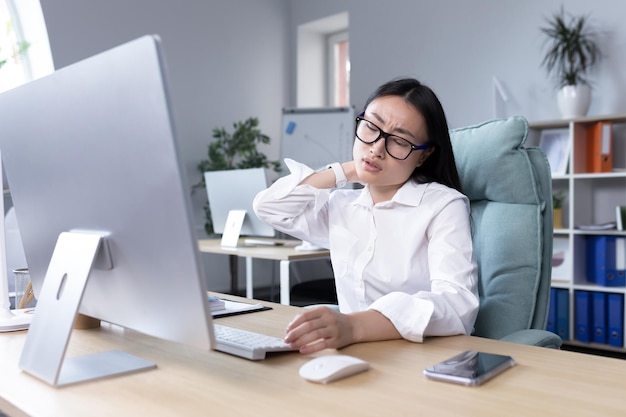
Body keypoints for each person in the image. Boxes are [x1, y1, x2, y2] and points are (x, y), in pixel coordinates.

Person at [253, 78, 479, 354]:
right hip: (350, 353)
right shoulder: (343, 205)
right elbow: (269, 207)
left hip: (418, 356)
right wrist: (348, 170)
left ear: (423, 155)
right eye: (371, 127)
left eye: (399, 141)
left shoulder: (442, 205)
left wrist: (354, 327)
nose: (376, 149)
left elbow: (458, 305)